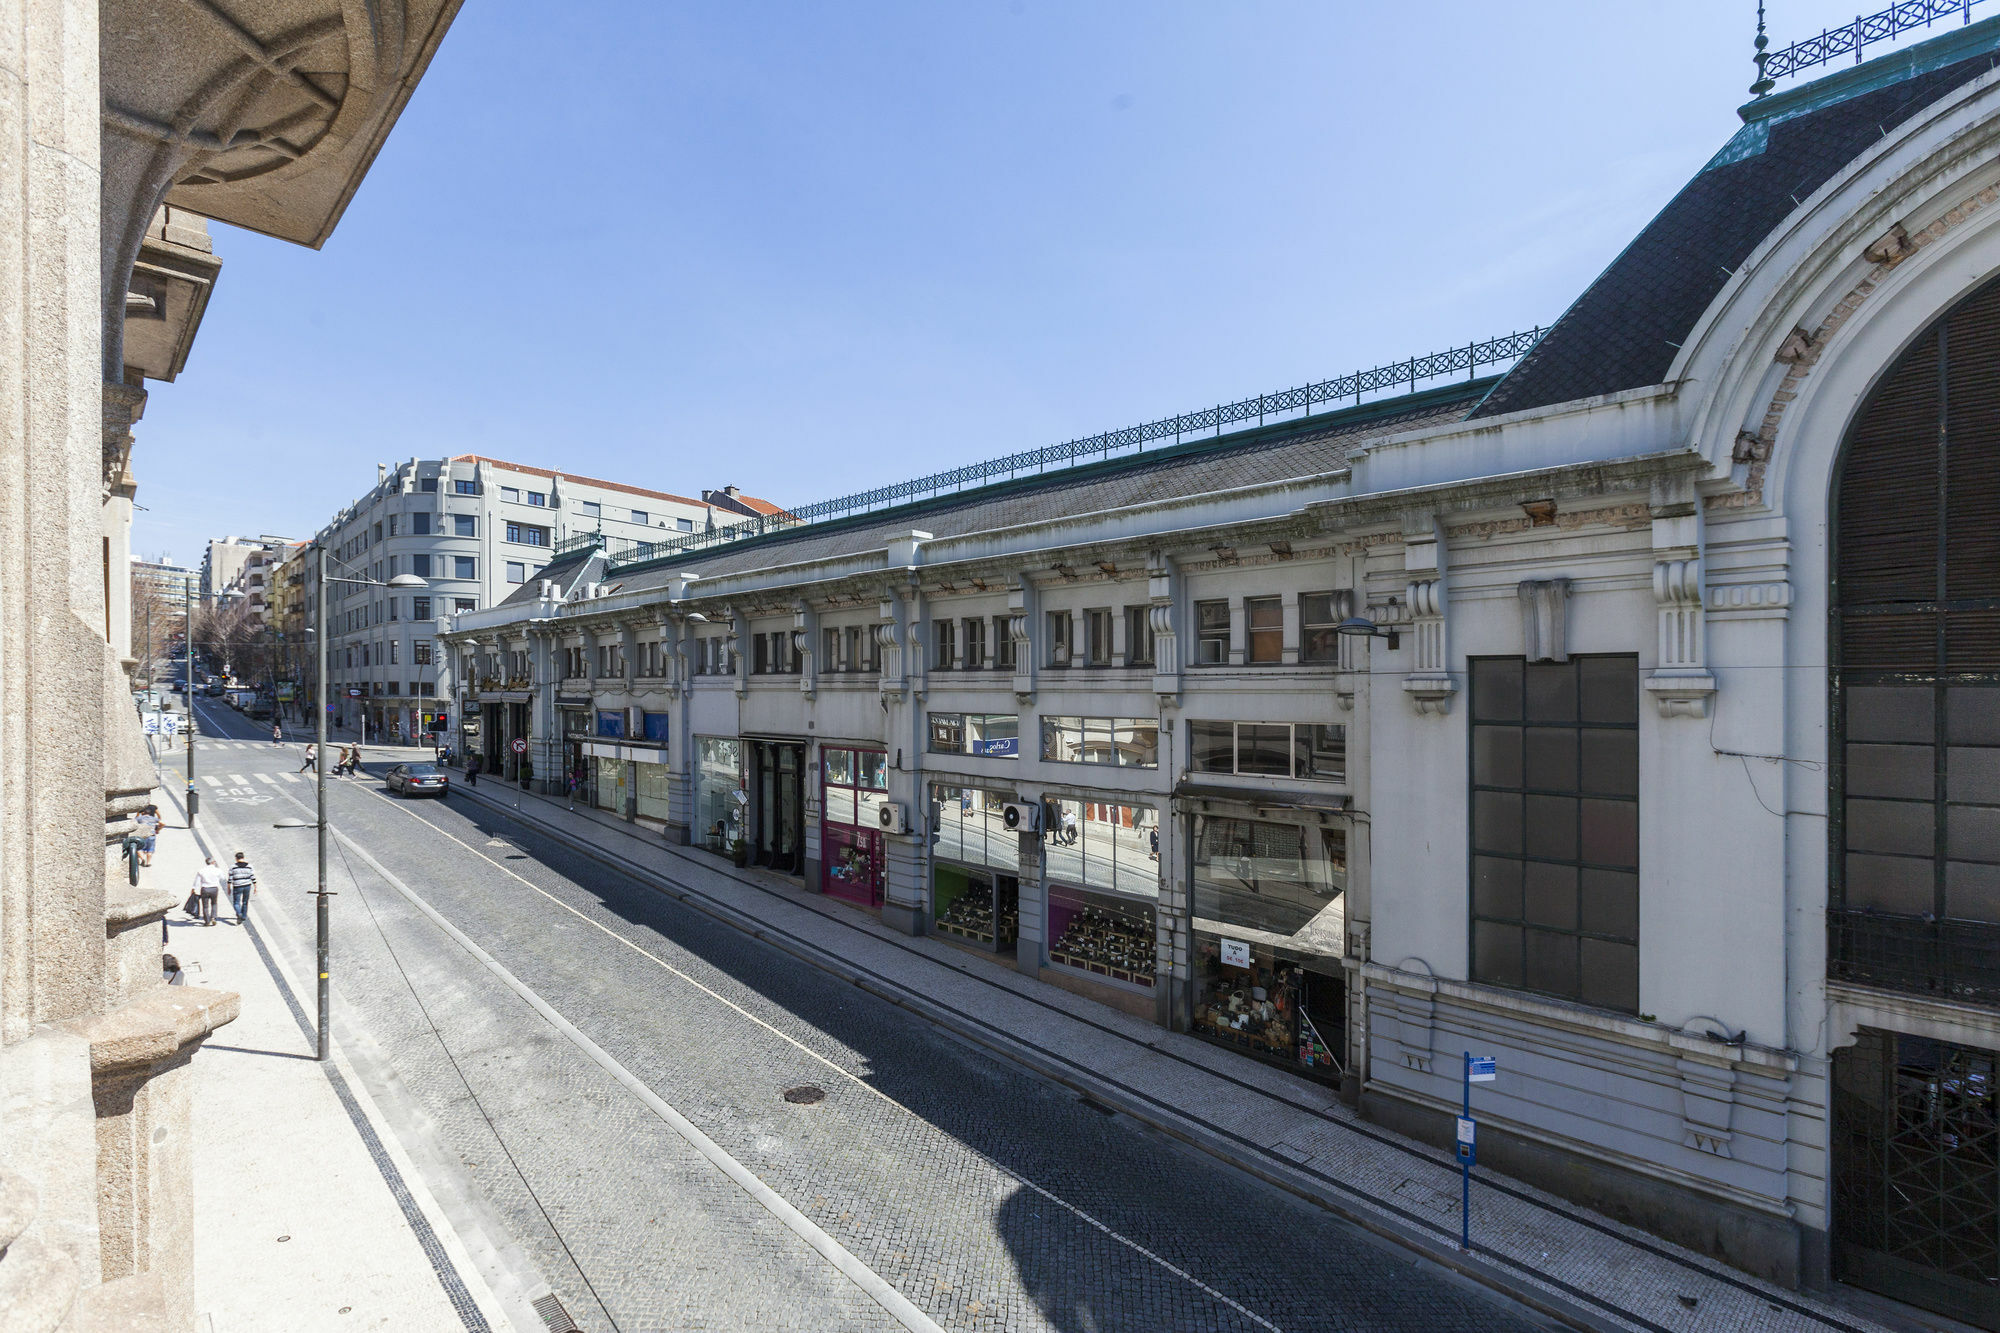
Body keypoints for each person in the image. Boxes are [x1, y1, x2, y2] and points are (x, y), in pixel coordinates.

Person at [192, 856, 224, 926]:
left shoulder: (201, 870)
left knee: (205, 906)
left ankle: (207, 921)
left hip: (205, 889)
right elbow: (222, 878)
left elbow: (197, 882)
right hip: (214, 888)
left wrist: (193, 889)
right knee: (214, 903)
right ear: (213, 862)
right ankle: (213, 917)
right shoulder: (218, 870)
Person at [226, 851, 256, 924]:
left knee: (236, 902)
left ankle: (239, 913)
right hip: (247, 886)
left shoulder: (233, 867)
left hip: (237, 886)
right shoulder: (249, 866)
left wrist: (229, 888)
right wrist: (255, 887)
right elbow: (252, 877)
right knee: (245, 902)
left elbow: (230, 878)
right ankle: (244, 916)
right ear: (243, 857)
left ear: (236, 858)